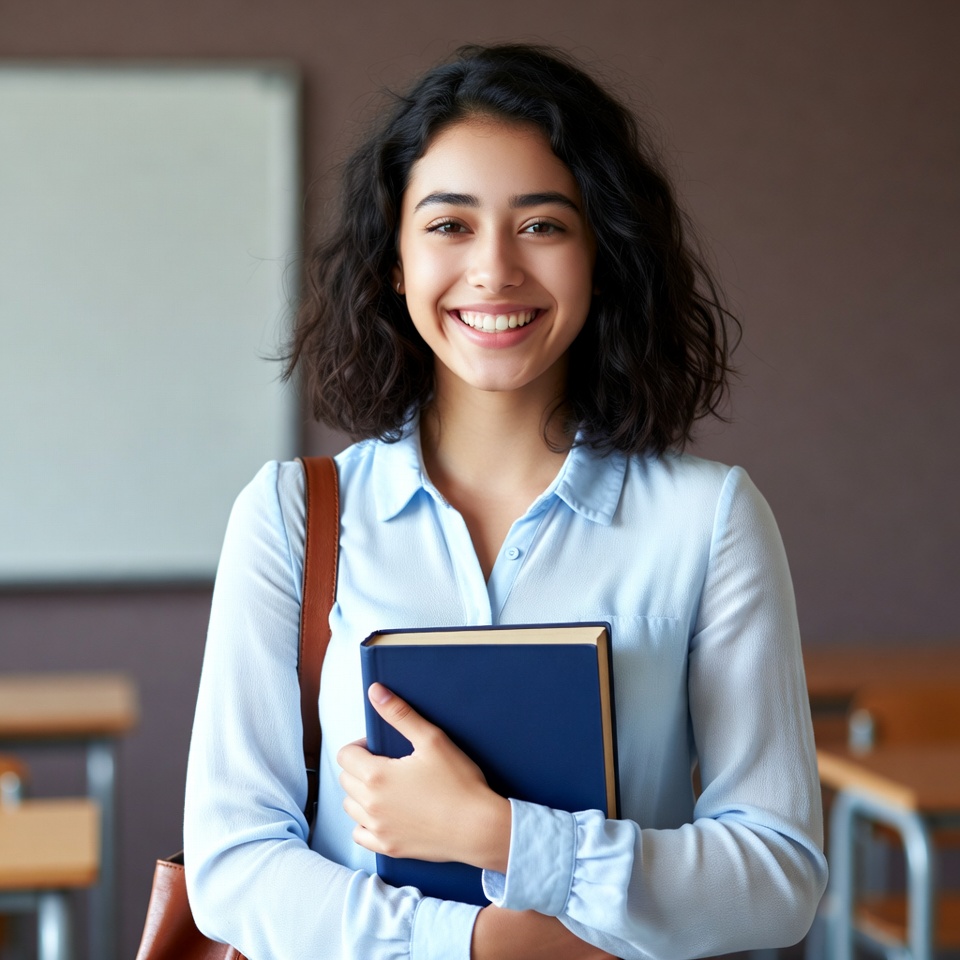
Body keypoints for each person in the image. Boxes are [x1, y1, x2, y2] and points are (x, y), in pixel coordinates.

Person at [184, 43, 828, 960]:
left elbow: (778, 877)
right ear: (395, 263)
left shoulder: (709, 519)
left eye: (542, 226)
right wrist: (488, 945)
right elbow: (235, 863)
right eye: (449, 225)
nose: (493, 271)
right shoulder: (291, 514)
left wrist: (502, 838)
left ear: (603, 255)